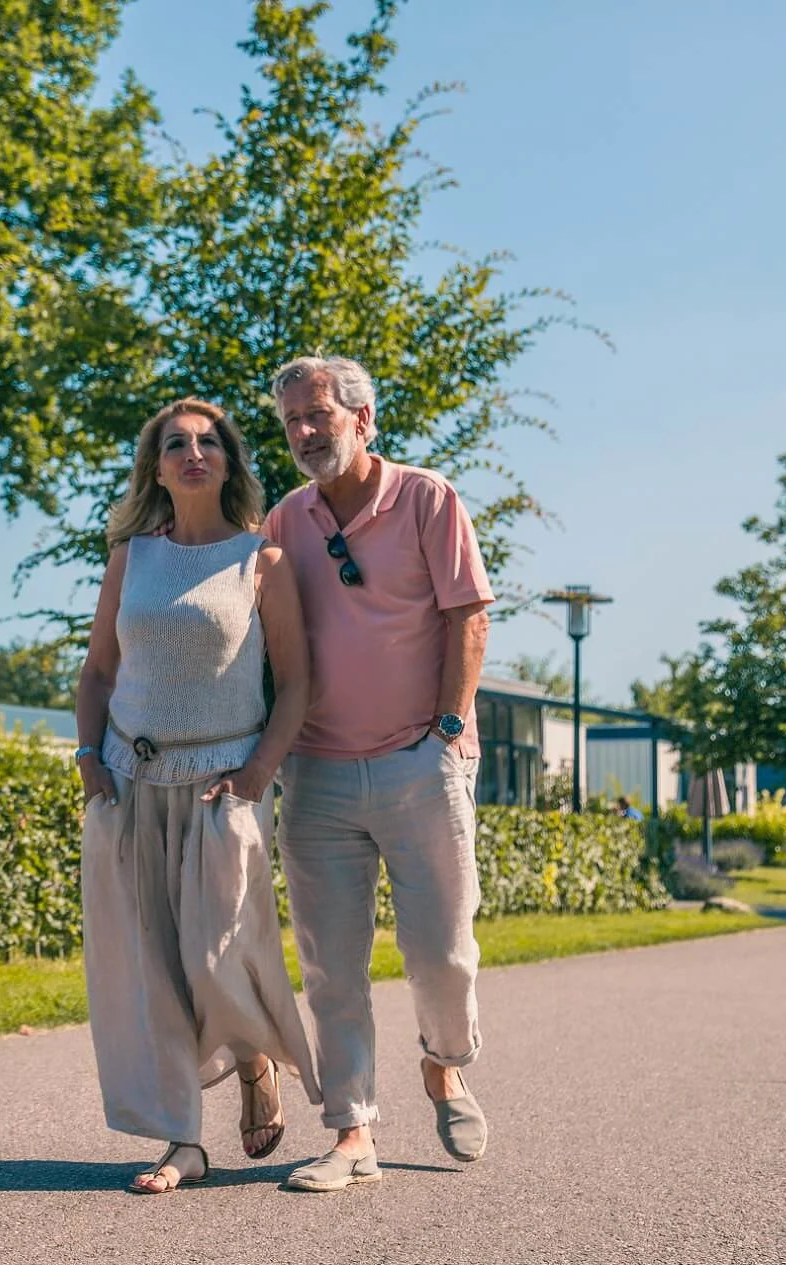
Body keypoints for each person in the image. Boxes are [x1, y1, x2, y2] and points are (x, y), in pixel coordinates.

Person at [73, 397, 322, 1194]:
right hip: (131, 781)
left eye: (207, 442)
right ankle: (182, 1140)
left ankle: (254, 1059)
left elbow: (295, 685)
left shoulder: (262, 560)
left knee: (215, 956)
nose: (192, 453)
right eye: (174, 443)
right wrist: (87, 754)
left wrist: (256, 776)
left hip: (223, 786)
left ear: (228, 461)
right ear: (154, 465)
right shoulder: (130, 558)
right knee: (154, 970)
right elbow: (100, 672)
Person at [262, 355, 494, 1193]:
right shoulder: (284, 521)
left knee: (441, 952)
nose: (301, 432)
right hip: (316, 771)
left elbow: (467, 612)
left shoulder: (427, 498)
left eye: (315, 415)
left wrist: (445, 727)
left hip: (417, 760)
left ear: (363, 420)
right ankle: (351, 1130)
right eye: (289, 420)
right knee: (330, 961)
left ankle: (443, 1063)